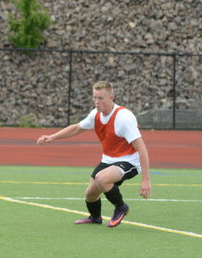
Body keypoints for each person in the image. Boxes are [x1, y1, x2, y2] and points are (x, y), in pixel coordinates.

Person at [37, 81, 151, 227]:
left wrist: (145, 180)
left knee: (101, 178)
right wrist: (52, 137)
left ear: (111, 98)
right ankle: (95, 218)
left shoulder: (123, 118)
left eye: (101, 98)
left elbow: (142, 149)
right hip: (108, 159)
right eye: (95, 98)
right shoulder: (95, 114)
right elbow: (77, 128)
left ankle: (121, 207)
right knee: (90, 194)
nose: (97, 102)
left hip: (130, 161)